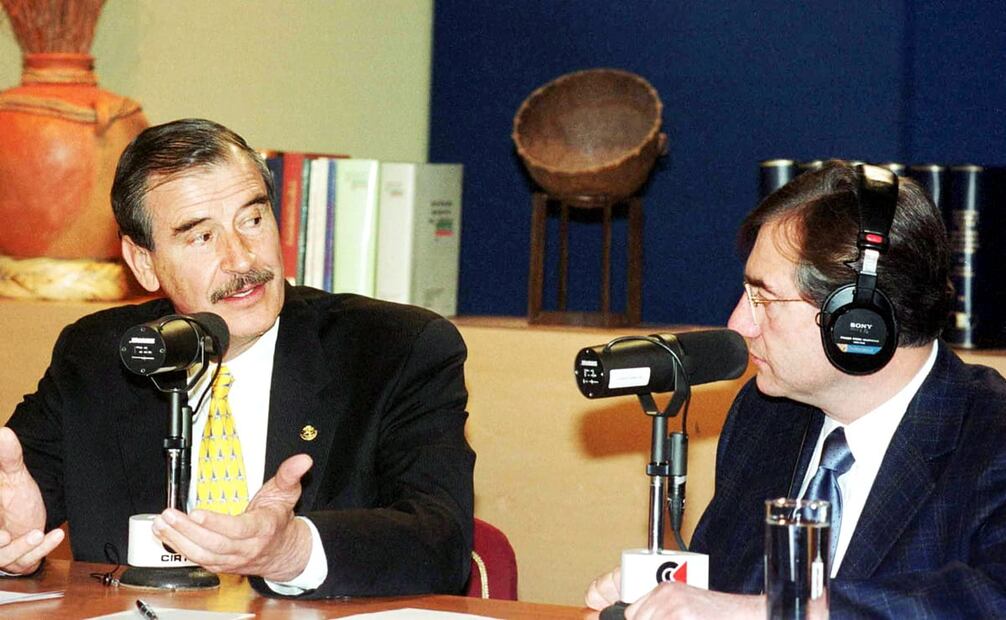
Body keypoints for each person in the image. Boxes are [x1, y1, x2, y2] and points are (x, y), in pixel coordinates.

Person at [0, 118, 475, 599]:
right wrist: (7, 538)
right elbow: (17, 499)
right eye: (201, 237)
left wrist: (290, 551)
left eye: (252, 220)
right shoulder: (99, 357)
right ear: (143, 261)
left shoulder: (395, 349)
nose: (243, 260)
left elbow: (442, 543)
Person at [586, 161, 1006, 617]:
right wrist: (655, 596)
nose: (738, 324)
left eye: (764, 298)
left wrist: (777, 613)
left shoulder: (991, 437)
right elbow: (722, 591)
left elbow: (990, 599)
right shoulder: (766, 415)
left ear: (859, 321)